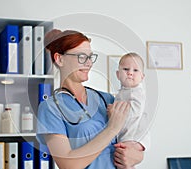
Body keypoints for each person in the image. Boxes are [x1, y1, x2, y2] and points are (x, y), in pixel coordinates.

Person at [36, 29, 145, 169]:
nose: (89, 63)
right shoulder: (51, 108)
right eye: (81, 57)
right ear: (59, 59)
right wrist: (112, 128)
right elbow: (68, 165)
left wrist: (137, 156)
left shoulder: (107, 99)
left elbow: (134, 133)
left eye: (90, 57)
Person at [112, 52, 149, 169]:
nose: (130, 73)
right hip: (128, 135)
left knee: (122, 161)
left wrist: (114, 112)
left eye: (135, 70)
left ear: (142, 77)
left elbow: (134, 112)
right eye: (126, 69)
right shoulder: (124, 91)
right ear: (118, 74)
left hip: (134, 137)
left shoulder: (137, 92)